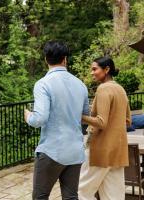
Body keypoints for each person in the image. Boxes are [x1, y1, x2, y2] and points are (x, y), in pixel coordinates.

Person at [24, 41, 89, 200]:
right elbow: (85, 117)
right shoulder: (81, 85)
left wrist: (28, 116)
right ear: (65, 59)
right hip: (75, 151)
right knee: (71, 197)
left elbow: (39, 119)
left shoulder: (43, 84)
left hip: (52, 151)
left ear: (46, 59)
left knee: (40, 196)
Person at [78, 56, 131, 200]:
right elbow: (127, 120)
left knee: (82, 192)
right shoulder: (120, 89)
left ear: (106, 69)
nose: (92, 72)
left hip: (100, 151)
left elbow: (101, 122)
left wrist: (79, 115)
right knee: (113, 196)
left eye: (94, 69)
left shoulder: (103, 89)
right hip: (118, 151)